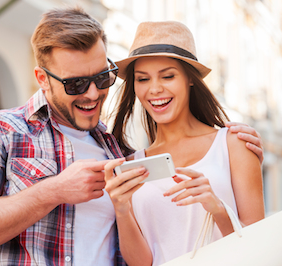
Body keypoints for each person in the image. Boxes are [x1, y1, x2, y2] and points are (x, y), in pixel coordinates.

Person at [0, 7, 263, 266]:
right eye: (76, 84)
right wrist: (53, 190)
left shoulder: (118, 153)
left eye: (101, 78)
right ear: (42, 78)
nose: (94, 94)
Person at [104, 21, 265, 266]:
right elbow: (142, 263)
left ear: (190, 79)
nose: (155, 89)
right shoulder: (132, 164)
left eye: (168, 76)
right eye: (143, 79)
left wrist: (218, 209)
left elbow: (258, 249)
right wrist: (121, 209)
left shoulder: (234, 144)